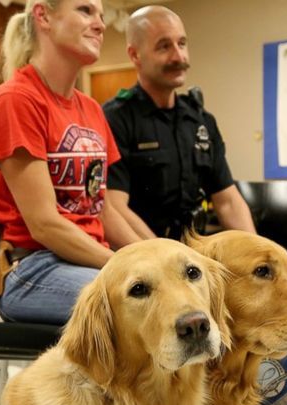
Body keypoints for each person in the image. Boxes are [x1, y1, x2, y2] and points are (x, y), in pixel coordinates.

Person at [0, 0, 141, 325]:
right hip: (31, 268)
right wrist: (127, 265)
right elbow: (44, 224)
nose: (100, 24)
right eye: (85, 10)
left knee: (186, 291)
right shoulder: (15, 101)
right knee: (148, 304)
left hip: (86, 261)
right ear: (43, 15)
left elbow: (102, 208)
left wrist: (155, 255)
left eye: (101, 16)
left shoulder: (92, 109)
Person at [102, 5, 256, 239]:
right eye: (164, 46)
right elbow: (115, 207)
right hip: (140, 255)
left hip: (193, 251)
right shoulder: (116, 119)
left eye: (181, 44)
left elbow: (228, 202)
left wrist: (261, 253)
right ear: (135, 55)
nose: (179, 56)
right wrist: (169, 258)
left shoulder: (200, 120)